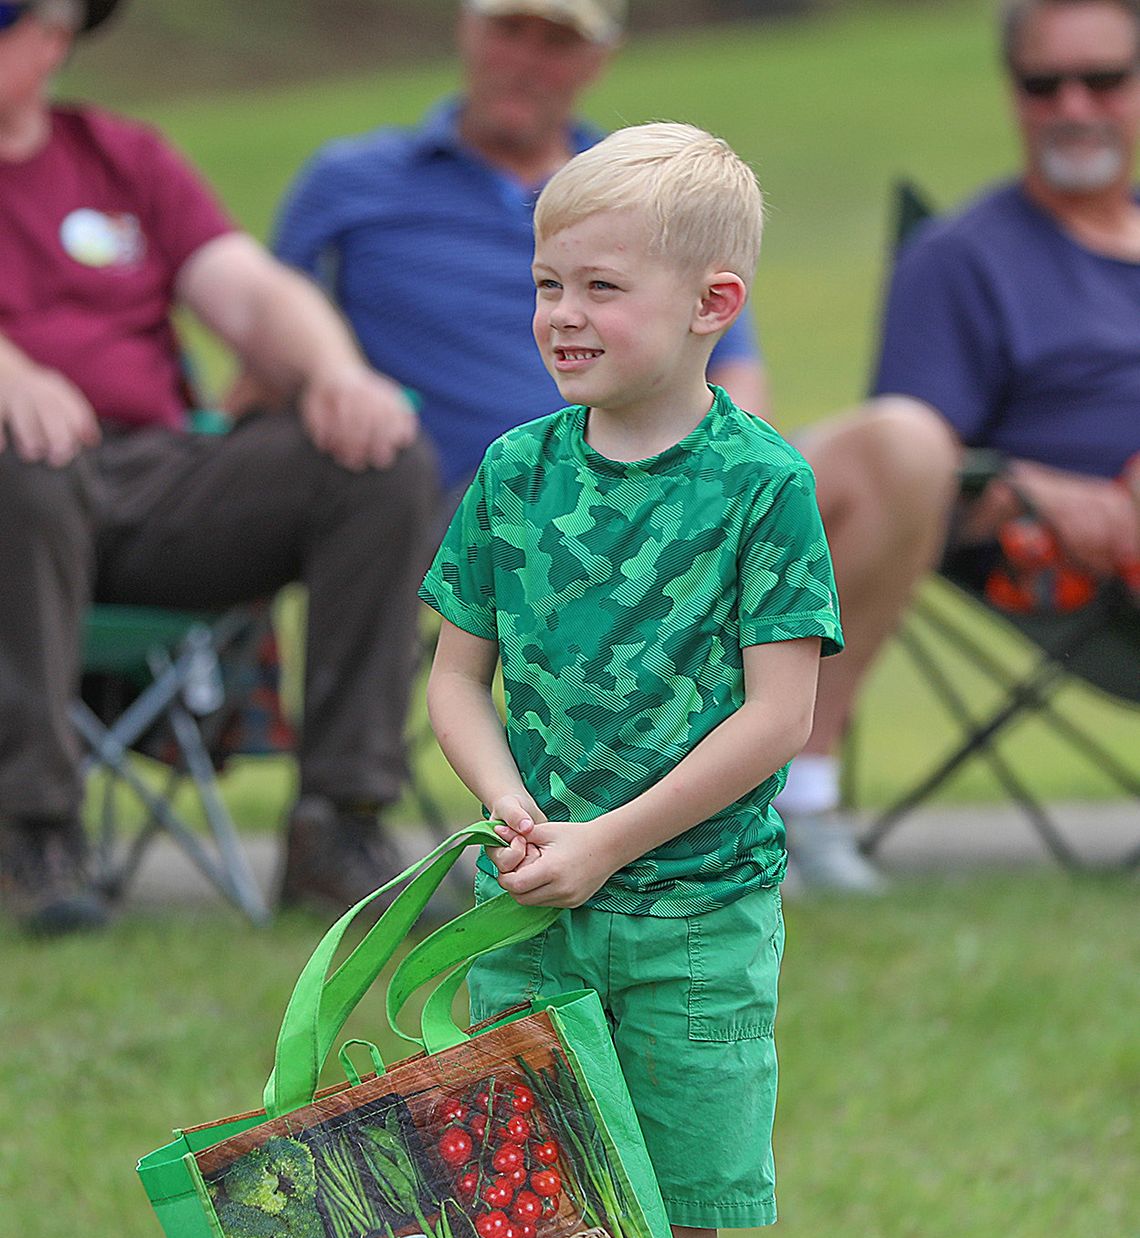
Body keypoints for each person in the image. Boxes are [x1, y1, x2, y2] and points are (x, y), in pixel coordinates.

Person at [421, 123, 842, 1238]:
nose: (563, 314)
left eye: (602, 284)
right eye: (547, 281)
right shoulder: (516, 472)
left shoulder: (760, 487)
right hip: (533, 902)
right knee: (532, 1216)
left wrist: (609, 841)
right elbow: (456, 679)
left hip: (692, 919)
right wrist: (519, 810)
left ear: (711, 304)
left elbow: (778, 713)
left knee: (665, 1214)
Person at [0, 0, 440, 937]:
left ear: (53, 39)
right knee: (21, 457)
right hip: (16, 496)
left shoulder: (121, 157)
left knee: (376, 458)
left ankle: (339, 826)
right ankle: (30, 832)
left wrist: (334, 373)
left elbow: (248, 288)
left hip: (149, 479)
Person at [784, 0, 1140, 891]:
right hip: (1059, 555)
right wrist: (1037, 484)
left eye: (1103, 78)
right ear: (1012, 93)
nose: (1074, 105)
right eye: (1043, 82)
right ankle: (793, 806)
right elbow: (910, 467)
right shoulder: (963, 260)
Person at [271, 0, 768, 499]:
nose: (524, 62)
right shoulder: (351, 181)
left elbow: (731, 364)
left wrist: (712, 489)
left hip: (621, 492)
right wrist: (333, 373)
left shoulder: (646, 193)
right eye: (508, 30)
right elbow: (270, 317)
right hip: (425, 500)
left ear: (598, 58)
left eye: (556, 42)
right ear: (468, 30)